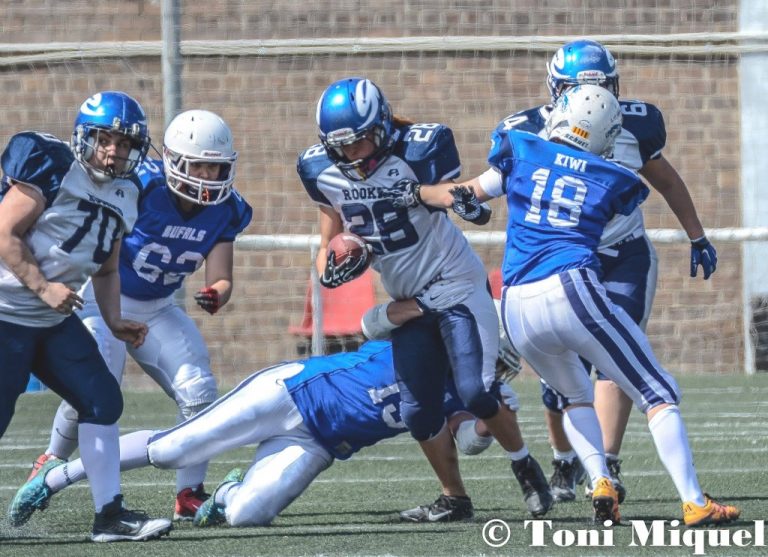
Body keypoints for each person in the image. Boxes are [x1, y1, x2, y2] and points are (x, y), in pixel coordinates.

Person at [399, 84, 739, 526]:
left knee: (575, 395)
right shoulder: (616, 179)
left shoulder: (520, 148)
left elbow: (466, 192)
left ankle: (600, 482)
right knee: (658, 391)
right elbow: (619, 205)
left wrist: (412, 193)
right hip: (570, 287)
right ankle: (694, 502)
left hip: (517, 304)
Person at [297, 77, 552, 521]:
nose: (354, 152)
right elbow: (328, 241)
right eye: (344, 144)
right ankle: (454, 497)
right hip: (409, 299)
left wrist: (448, 198)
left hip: (455, 286)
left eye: (362, 140)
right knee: (417, 410)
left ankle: (525, 467)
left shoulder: (417, 150)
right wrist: (329, 270)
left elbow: (439, 194)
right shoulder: (321, 170)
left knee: (475, 390)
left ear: (380, 127)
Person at [496, 39, 718, 503]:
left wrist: (696, 234)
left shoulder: (635, 124)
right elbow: (497, 184)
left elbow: (666, 178)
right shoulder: (527, 132)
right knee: (561, 380)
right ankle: (564, 459)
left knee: (615, 359)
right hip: (559, 264)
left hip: (620, 255)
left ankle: (607, 468)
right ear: (556, 92)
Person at [8, 328, 515, 528]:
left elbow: (467, 442)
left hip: (318, 443)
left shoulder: (467, 394)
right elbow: (372, 320)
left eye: (504, 368)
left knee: (247, 516)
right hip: (287, 394)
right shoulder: (423, 341)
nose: (495, 370)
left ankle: (228, 490)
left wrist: (491, 420)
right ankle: (54, 477)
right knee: (171, 451)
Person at [26, 109, 253, 521]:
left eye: (215, 166)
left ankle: (189, 493)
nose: (208, 175)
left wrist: (217, 293)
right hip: (101, 298)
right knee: (96, 388)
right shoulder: (139, 185)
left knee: (199, 390)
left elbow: (222, 275)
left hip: (158, 308)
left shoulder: (228, 209)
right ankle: (50, 460)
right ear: (171, 159)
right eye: (198, 164)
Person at [0, 91, 172, 542]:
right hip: (6, 313)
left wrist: (114, 320)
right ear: (85, 137)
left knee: (101, 400)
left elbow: (109, 266)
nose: (113, 151)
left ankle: (109, 516)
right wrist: (42, 286)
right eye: (104, 139)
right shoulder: (52, 164)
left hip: (51, 321)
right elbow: (4, 232)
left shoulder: (128, 191)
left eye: (124, 143)